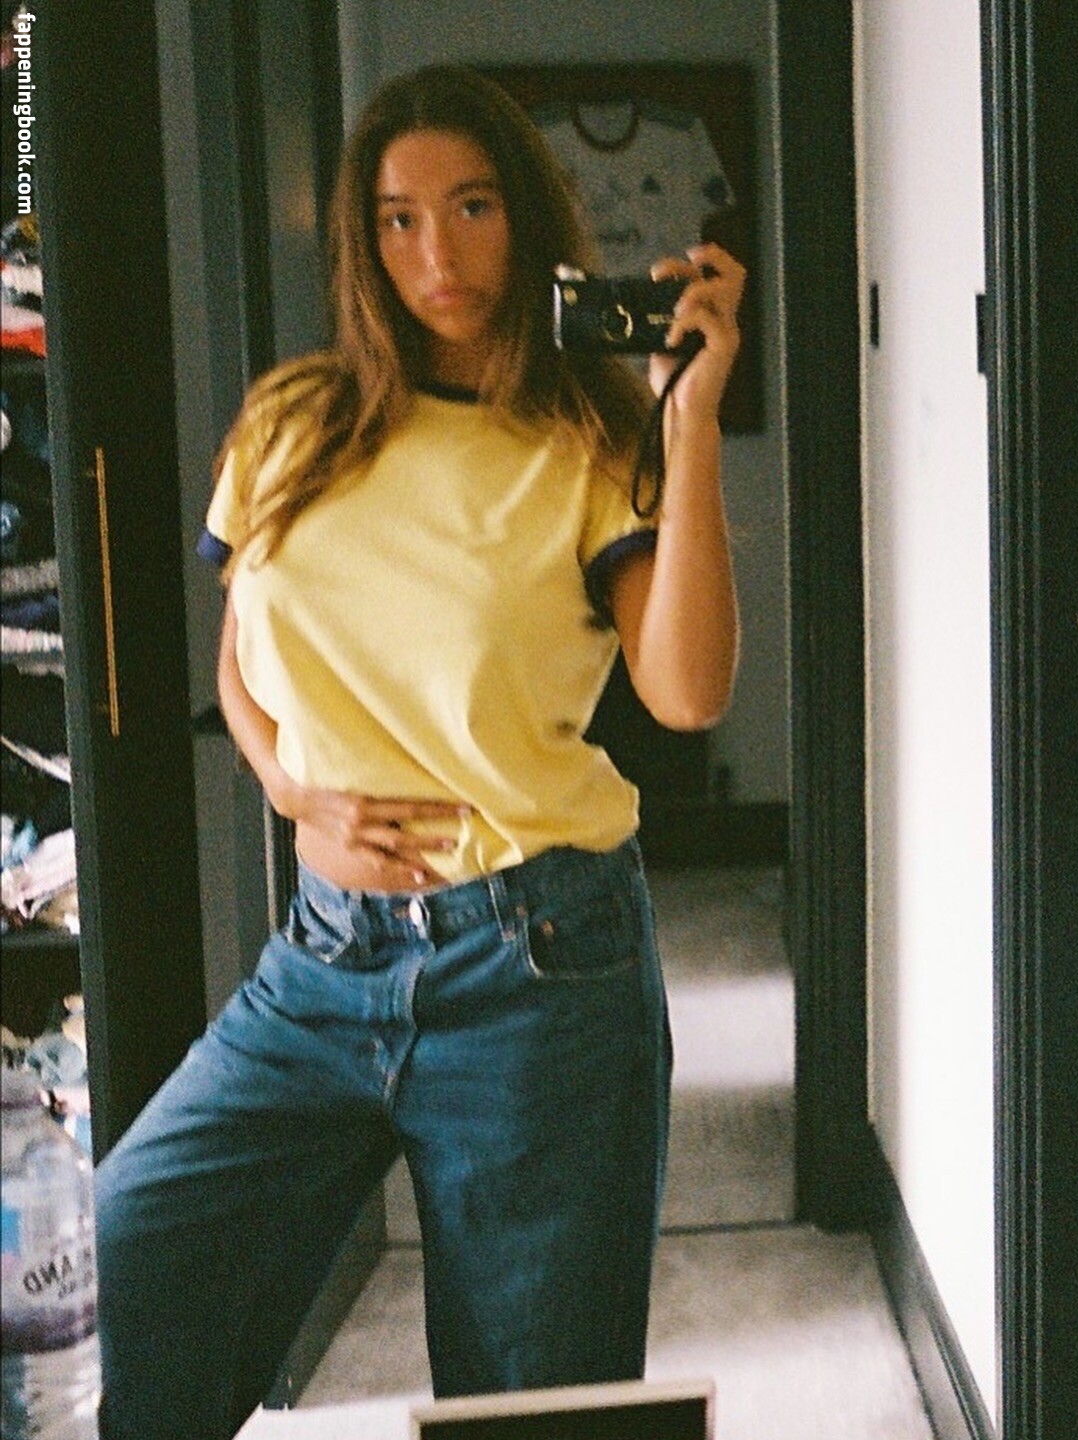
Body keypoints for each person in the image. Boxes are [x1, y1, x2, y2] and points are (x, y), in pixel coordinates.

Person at [92, 63, 741, 1440]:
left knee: (532, 1409)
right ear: (361, 241)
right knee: (122, 1263)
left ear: (528, 216)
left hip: (538, 965)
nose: (437, 254)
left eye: (472, 207)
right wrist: (289, 791)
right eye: (398, 219)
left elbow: (687, 692)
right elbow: (240, 659)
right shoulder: (293, 422)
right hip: (322, 962)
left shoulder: (588, 440)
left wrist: (687, 427)